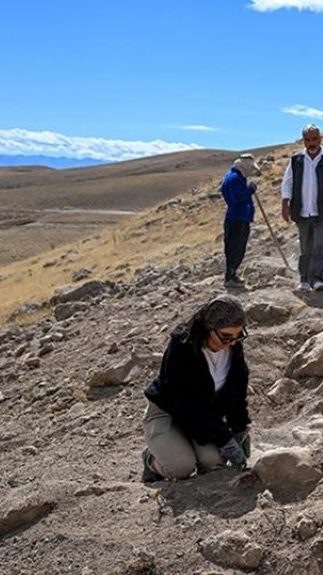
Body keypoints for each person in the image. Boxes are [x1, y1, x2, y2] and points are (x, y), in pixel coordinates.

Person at [140, 295, 251, 481]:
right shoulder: (181, 346)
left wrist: (240, 430)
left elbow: (237, 394)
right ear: (209, 329)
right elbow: (187, 406)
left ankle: (184, 447)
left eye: (239, 335)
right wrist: (224, 438)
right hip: (169, 412)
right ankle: (151, 460)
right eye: (226, 337)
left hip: (205, 418)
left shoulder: (233, 347)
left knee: (213, 462)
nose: (232, 342)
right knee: (180, 468)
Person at [281, 124, 323, 292]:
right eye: (308, 140)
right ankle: (304, 279)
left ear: (320, 139)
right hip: (302, 210)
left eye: (314, 139)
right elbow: (287, 183)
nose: (311, 143)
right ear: (304, 141)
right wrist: (285, 204)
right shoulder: (296, 160)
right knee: (305, 247)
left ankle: (317, 278)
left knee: (319, 245)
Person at [220, 154, 260, 288]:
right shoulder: (236, 179)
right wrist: (250, 190)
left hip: (235, 217)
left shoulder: (230, 177)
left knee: (233, 247)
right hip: (238, 218)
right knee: (236, 248)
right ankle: (230, 276)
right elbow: (236, 198)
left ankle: (232, 275)